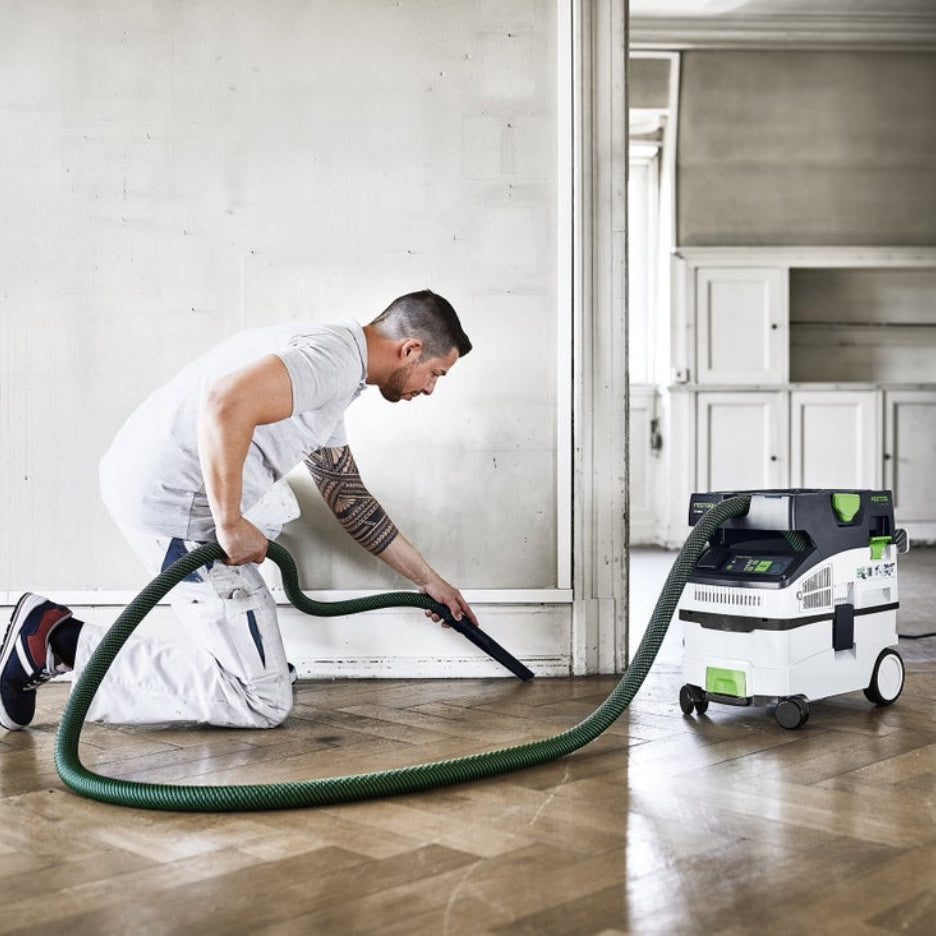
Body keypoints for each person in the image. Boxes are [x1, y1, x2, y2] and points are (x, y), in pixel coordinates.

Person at [0, 290, 476, 731]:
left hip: (149, 480)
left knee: (278, 505)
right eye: (436, 373)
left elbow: (346, 496)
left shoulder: (334, 363)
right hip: (175, 507)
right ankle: (53, 640)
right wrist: (227, 523)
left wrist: (427, 580)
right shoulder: (330, 361)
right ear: (410, 350)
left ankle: (253, 655)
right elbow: (225, 402)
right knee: (262, 701)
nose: (430, 389)